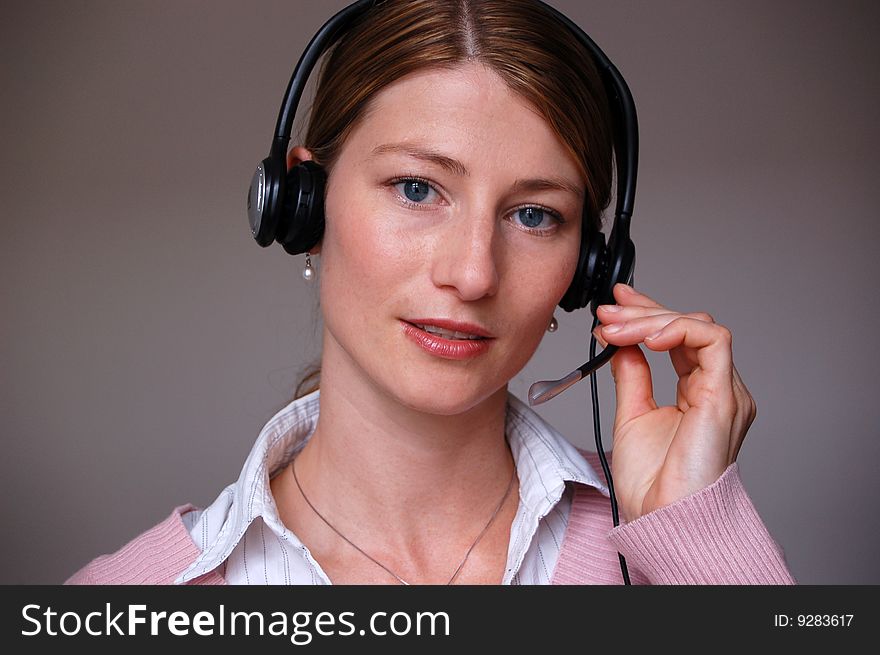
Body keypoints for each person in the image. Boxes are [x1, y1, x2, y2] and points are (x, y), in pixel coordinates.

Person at [66, 0, 795, 585]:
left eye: (533, 214)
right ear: (305, 206)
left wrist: (694, 536)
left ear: (587, 270)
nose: (474, 273)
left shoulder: (661, 546)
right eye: (418, 189)